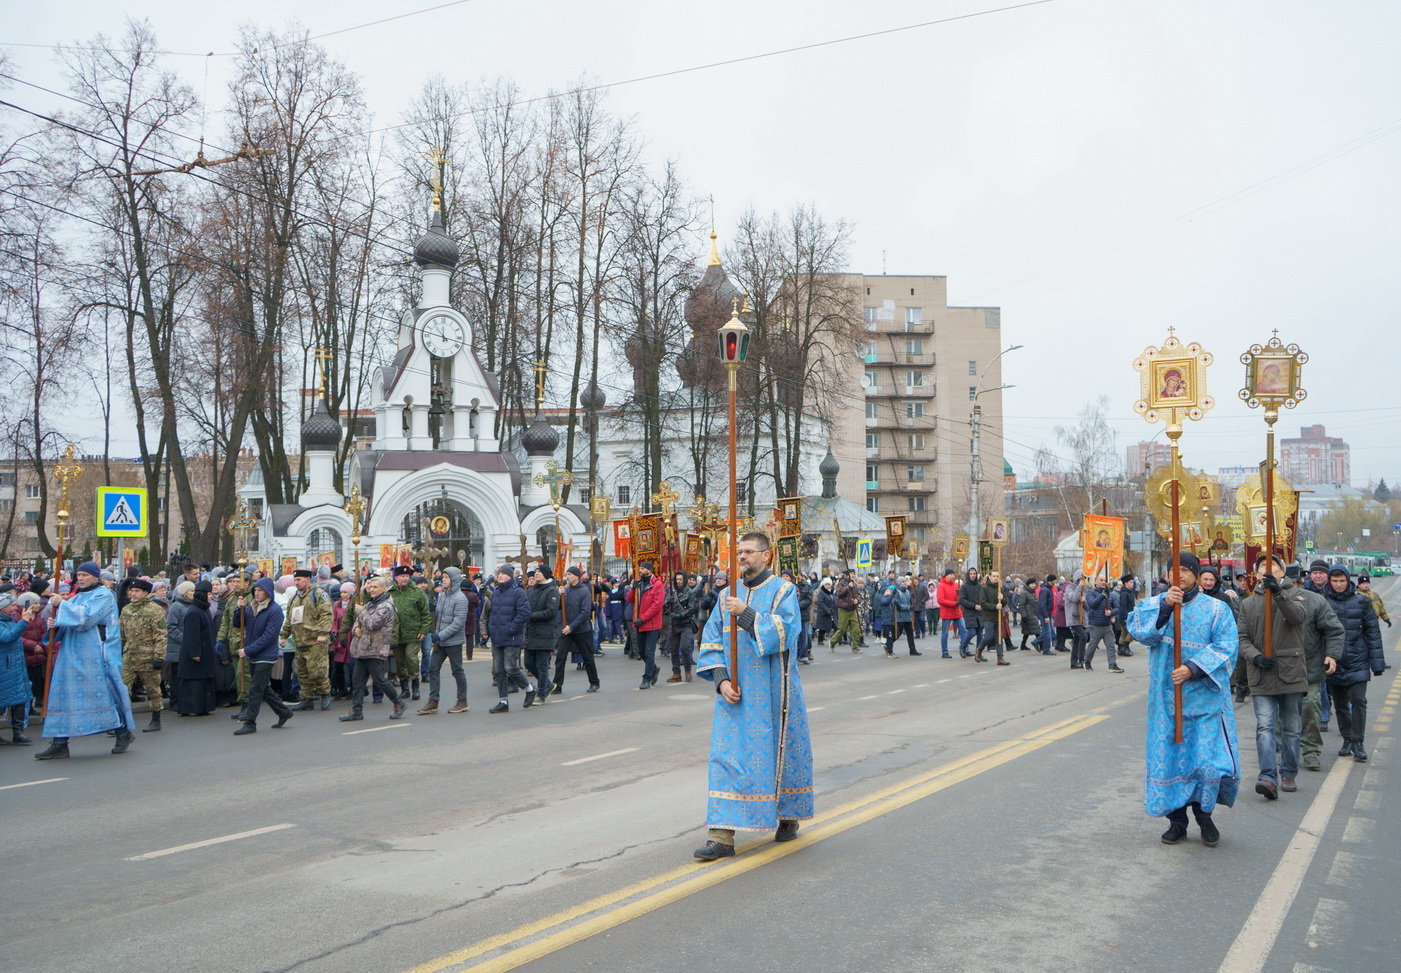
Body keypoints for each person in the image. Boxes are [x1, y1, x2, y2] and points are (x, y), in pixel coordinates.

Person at [693, 532, 812, 861]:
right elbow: (712, 641)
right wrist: (720, 681)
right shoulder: (723, 595)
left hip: (774, 691)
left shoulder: (783, 591)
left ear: (766, 555)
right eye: (739, 552)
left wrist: (746, 614)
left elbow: (789, 632)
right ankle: (721, 836)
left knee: (779, 753)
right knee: (726, 759)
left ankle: (786, 814)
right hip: (735, 693)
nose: (742, 557)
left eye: (748, 552)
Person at [1128, 552, 1240, 847]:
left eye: (1185, 571)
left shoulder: (1216, 609)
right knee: (1172, 761)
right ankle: (1177, 822)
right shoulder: (1153, 604)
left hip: (1205, 701)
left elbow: (1228, 645)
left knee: (1206, 764)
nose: (1179, 576)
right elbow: (1138, 632)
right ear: (1166, 575)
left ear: (1195, 574)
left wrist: (1193, 669)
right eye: (1173, 571)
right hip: (1167, 702)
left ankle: (1205, 817)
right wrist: (1166, 608)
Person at [35, 563, 136, 760]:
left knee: (103, 693)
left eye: (84, 575)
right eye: (78, 575)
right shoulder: (78, 596)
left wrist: (61, 606)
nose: (80, 578)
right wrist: (54, 624)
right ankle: (59, 742)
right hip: (70, 652)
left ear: (96, 577)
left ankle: (123, 732)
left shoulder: (104, 595)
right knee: (62, 694)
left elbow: (86, 618)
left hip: (97, 653)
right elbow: (68, 624)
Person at [1237, 556, 1309, 799]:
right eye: (1263, 569)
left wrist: (1279, 593)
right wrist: (1255, 656)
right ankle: (1267, 776)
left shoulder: (1296, 594)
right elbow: (1242, 639)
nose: (1268, 572)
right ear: (1256, 574)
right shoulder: (1248, 603)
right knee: (1265, 726)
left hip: (1290, 672)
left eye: (1274, 567)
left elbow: (1297, 617)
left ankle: (1288, 771)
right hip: (1262, 674)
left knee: (1291, 727)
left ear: (1282, 572)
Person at [1322, 566, 1385, 762]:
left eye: (1342, 581)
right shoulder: (1322, 602)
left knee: (1358, 701)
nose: (1339, 585)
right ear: (1330, 582)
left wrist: (1377, 664)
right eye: (1335, 581)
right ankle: (1347, 739)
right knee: (1340, 705)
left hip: (1358, 660)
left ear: (1348, 580)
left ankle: (1358, 741)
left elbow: (1373, 633)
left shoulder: (1362, 602)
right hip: (1333, 661)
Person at [338, 575, 409, 722]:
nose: (371, 590)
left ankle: (399, 702)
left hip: (376, 648)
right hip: (362, 648)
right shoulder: (370, 604)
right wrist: (354, 631)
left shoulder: (386, 606)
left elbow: (371, 623)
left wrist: (360, 611)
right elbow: (358, 622)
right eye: (370, 587)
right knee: (357, 680)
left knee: (379, 680)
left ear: (384, 588)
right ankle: (357, 710)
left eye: (375, 587)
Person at [233, 578, 295, 734]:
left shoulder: (274, 611)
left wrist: (248, 650)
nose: (257, 593)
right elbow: (237, 623)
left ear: (268, 592)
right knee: (262, 688)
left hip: (266, 655)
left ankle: (250, 723)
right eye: (255, 590)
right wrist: (238, 609)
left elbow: (269, 636)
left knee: (255, 689)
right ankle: (284, 712)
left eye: (260, 590)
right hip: (254, 654)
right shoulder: (251, 607)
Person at [1296, 568, 1343, 772]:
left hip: (1310, 665)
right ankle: (1278, 745)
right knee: (1278, 713)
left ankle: (1310, 751)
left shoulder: (1314, 601)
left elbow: (1334, 630)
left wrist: (1331, 655)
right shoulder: (1265, 600)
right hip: (1278, 669)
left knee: (1310, 707)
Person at [281, 569, 334, 711]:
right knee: (302, 672)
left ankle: (325, 693)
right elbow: (289, 618)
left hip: (315, 640)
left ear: (308, 579)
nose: (296, 583)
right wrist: (284, 635)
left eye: (299, 580)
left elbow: (326, 615)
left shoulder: (318, 594)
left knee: (317, 670)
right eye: (295, 580)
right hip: (300, 641)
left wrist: (323, 633)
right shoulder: (294, 598)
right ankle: (307, 698)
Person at [120, 578, 167, 732]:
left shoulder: (155, 610)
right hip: (129, 655)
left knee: (153, 690)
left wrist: (159, 657)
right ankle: (122, 722)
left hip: (148, 657)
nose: (133, 594)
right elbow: (121, 634)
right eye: (131, 591)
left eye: (137, 591)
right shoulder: (126, 610)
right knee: (123, 688)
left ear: (146, 593)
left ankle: (156, 719)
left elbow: (160, 635)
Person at [421, 566, 469, 714]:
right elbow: (440, 618)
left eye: (446, 577)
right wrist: (433, 609)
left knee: (457, 671)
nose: (443, 579)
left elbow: (458, 623)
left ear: (454, 580)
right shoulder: (442, 596)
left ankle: (462, 701)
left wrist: (439, 635)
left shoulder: (460, 598)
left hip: (453, 642)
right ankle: (433, 701)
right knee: (433, 669)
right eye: (443, 577)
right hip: (440, 642)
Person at [486, 565, 532, 713]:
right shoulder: (496, 592)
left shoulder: (518, 592)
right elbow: (492, 613)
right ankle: (503, 701)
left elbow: (524, 613)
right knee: (499, 670)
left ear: (510, 576)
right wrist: (491, 630)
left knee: (510, 667)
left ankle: (529, 689)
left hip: (511, 636)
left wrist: (512, 629)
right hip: (497, 636)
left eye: (503, 574)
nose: (499, 576)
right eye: (498, 573)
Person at [553, 565, 601, 696]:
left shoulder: (584, 591)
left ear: (576, 576)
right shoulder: (565, 590)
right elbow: (557, 608)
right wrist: (559, 595)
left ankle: (594, 682)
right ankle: (557, 685)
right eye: (566, 574)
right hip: (566, 629)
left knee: (588, 657)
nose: (567, 577)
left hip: (581, 630)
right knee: (560, 657)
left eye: (569, 574)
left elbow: (585, 612)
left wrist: (572, 627)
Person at [0, 587, 38, 744]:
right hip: (4, 667)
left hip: (15, 666)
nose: (14, 608)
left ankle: (18, 732)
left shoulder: (9, 621)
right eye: (11, 605)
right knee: (4, 699)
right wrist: (24, 621)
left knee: (20, 698)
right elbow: (8, 637)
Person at [175, 580, 218, 716]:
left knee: (203, 681)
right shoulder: (194, 612)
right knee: (194, 683)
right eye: (209, 594)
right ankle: (192, 708)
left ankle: (203, 707)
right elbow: (192, 636)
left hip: (205, 651)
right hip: (196, 654)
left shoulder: (203, 609)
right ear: (203, 595)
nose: (211, 596)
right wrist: (195, 653)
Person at [388, 565, 430, 700]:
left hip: (413, 633)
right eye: (402, 576)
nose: (405, 579)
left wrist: (424, 630)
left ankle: (415, 687)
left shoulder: (417, 592)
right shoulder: (390, 592)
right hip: (396, 634)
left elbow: (425, 613)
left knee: (411, 658)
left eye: (407, 576)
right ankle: (405, 688)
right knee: (399, 662)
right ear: (396, 577)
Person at [523, 565, 560, 706]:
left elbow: (550, 612)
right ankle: (548, 684)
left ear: (545, 574)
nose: (536, 574)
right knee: (528, 663)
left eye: (539, 572)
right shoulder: (531, 590)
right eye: (535, 572)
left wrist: (531, 616)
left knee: (542, 665)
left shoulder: (552, 591)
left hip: (545, 632)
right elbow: (526, 607)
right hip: (531, 632)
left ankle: (542, 693)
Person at [630, 561, 665, 689]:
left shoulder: (657, 585)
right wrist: (633, 588)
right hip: (640, 624)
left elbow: (657, 605)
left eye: (643, 568)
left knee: (649, 652)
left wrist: (643, 618)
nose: (640, 570)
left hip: (652, 624)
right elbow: (630, 600)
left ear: (649, 570)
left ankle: (646, 678)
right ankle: (654, 668)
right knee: (641, 651)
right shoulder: (640, 583)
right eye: (640, 568)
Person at [664, 570, 700, 682]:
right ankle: (676, 673)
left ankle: (688, 671)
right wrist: (667, 603)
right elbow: (664, 608)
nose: (679, 582)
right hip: (673, 625)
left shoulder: (690, 593)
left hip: (686, 624)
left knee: (685, 648)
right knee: (673, 649)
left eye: (681, 579)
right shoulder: (671, 592)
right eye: (677, 579)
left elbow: (691, 609)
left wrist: (678, 615)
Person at [1083, 575, 1122, 672]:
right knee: (1092, 646)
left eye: (1105, 580)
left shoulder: (1111, 595)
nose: (1103, 582)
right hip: (1095, 625)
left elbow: (1117, 608)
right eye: (1101, 580)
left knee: (1111, 645)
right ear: (1096, 581)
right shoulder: (1091, 593)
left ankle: (1112, 665)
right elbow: (1092, 604)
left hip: (1107, 625)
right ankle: (1087, 661)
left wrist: (1111, 613)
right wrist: (1102, 596)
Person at [975, 570, 1008, 665]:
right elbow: (983, 603)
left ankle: (1000, 658)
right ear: (989, 577)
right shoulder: (984, 588)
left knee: (999, 637)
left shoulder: (1000, 588)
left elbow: (1005, 602)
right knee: (988, 637)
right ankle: (979, 650)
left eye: (997, 576)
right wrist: (994, 607)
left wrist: (1002, 599)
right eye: (994, 576)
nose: (996, 578)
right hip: (988, 616)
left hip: (998, 617)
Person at [935, 569, 966, 658]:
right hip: (947, 612)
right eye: (951, 574)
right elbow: (940, 600)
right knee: (945, 633)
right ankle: (945, 652)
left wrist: (960, 596)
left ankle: (964, 648)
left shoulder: (956, 585)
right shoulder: (941, 586)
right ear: (946, 575)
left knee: (964, 630)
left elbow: (959, 598)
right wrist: (953, 603)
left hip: (957, 612)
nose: (953, 576)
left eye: (953, 574)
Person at [832, 571, 863, 652]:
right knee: (842, 629)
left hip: (853, 609)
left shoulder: (855, 584)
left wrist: (857, 600)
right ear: (847, 575)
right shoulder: (841, 583)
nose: (852, 575)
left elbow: (859, 594)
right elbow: (839, 593)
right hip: (843, 609)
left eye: (853, 574)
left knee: (856, 628)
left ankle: (855, 647)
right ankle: (833, 641)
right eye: (851, 574)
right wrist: (848, 587)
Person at [957, 568, 984, 658]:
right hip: (970, 613)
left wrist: (981, 605)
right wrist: (973, 605)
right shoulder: (964, 587)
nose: (973, 575)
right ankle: (963, 646)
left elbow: (982, 597)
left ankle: (978, 653)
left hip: (979, 613)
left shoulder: (979, 586)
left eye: (974, 574)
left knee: (980, 634)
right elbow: (962, 600)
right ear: (968, 575)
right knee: (972, 632)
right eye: (971, 574)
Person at [813, 577, 837, 646]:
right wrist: (826, 609)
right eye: (826, 584)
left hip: (832, 612)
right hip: (823, 612)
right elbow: (821, 602)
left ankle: (836, 639)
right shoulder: (822, 593)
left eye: (829, 584)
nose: (827, 586)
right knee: (822, 627)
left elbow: (834, 600)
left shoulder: (832, 592)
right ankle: (820, 640)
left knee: (835, 626)